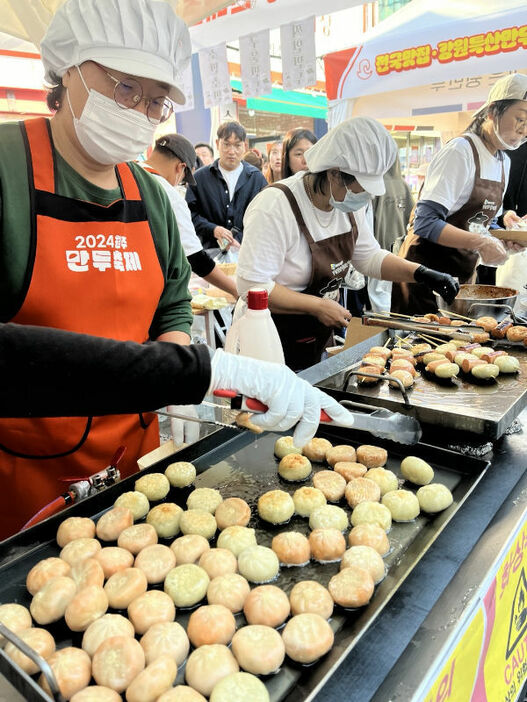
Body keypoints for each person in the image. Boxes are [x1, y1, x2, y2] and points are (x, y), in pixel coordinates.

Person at [0, 0, 197, 537]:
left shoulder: (149, 193)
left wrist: (173, 360)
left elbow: (174, 301)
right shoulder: (7, 168)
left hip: (134, 466)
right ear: (69, 71)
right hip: (26, 474)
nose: (137, 111)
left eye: (155, 101)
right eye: (124, 87)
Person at [236, 117, 458, 371]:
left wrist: (421, 273)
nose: (364, 198)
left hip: (315, 335)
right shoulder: (275, 206)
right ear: (334, 174)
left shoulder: (347, 205)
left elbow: (368, 257)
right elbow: (252, 285)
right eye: (360, 188)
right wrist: (317, 306)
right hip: (270, 338)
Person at [391, 73, 527, 315]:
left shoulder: (503, 161)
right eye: (520, 119)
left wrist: (504, 235)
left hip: (462, 278)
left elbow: (478, 223)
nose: (524, 130)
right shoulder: (461, 151)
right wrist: (483, 242)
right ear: (493, 111)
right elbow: (425, 222)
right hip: (425, 275)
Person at [141, 134, 238, 299]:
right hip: (152, 290)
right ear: (180, 168)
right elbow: (196, 258)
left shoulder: (124, 172)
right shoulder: (168, 194)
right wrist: (236, 290)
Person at [186, 121, 267, 251]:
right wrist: (213, 229)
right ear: (218, 144)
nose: (231, 151)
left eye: (237, 145)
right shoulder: (199, 178)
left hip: (247, 251)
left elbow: (264, 218)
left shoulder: (256, 178)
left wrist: (240, 239)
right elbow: (189, 215)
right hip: (209, 254)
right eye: (226, 144)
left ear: (245, 146)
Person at [367, 157, 414, 312]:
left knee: (379, 301)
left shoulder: (375, 187)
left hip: (377, 252)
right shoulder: (404, 186)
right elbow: (412, 220)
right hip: (400, 252)